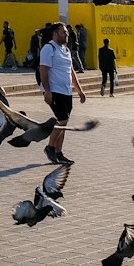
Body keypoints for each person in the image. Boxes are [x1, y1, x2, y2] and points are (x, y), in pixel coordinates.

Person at [40, 21, 87, 164]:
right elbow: (43, 70)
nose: (66, 34)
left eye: (66, 32)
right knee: (62, 120)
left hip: (67, 92)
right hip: (55, 91)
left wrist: (79, 90)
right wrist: (47, 91)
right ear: (55, 34)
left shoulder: (65, 50)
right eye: (63, 32)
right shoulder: (49, 48)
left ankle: (59, 153)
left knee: (63, 123)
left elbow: (71, 72)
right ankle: (50, 147)